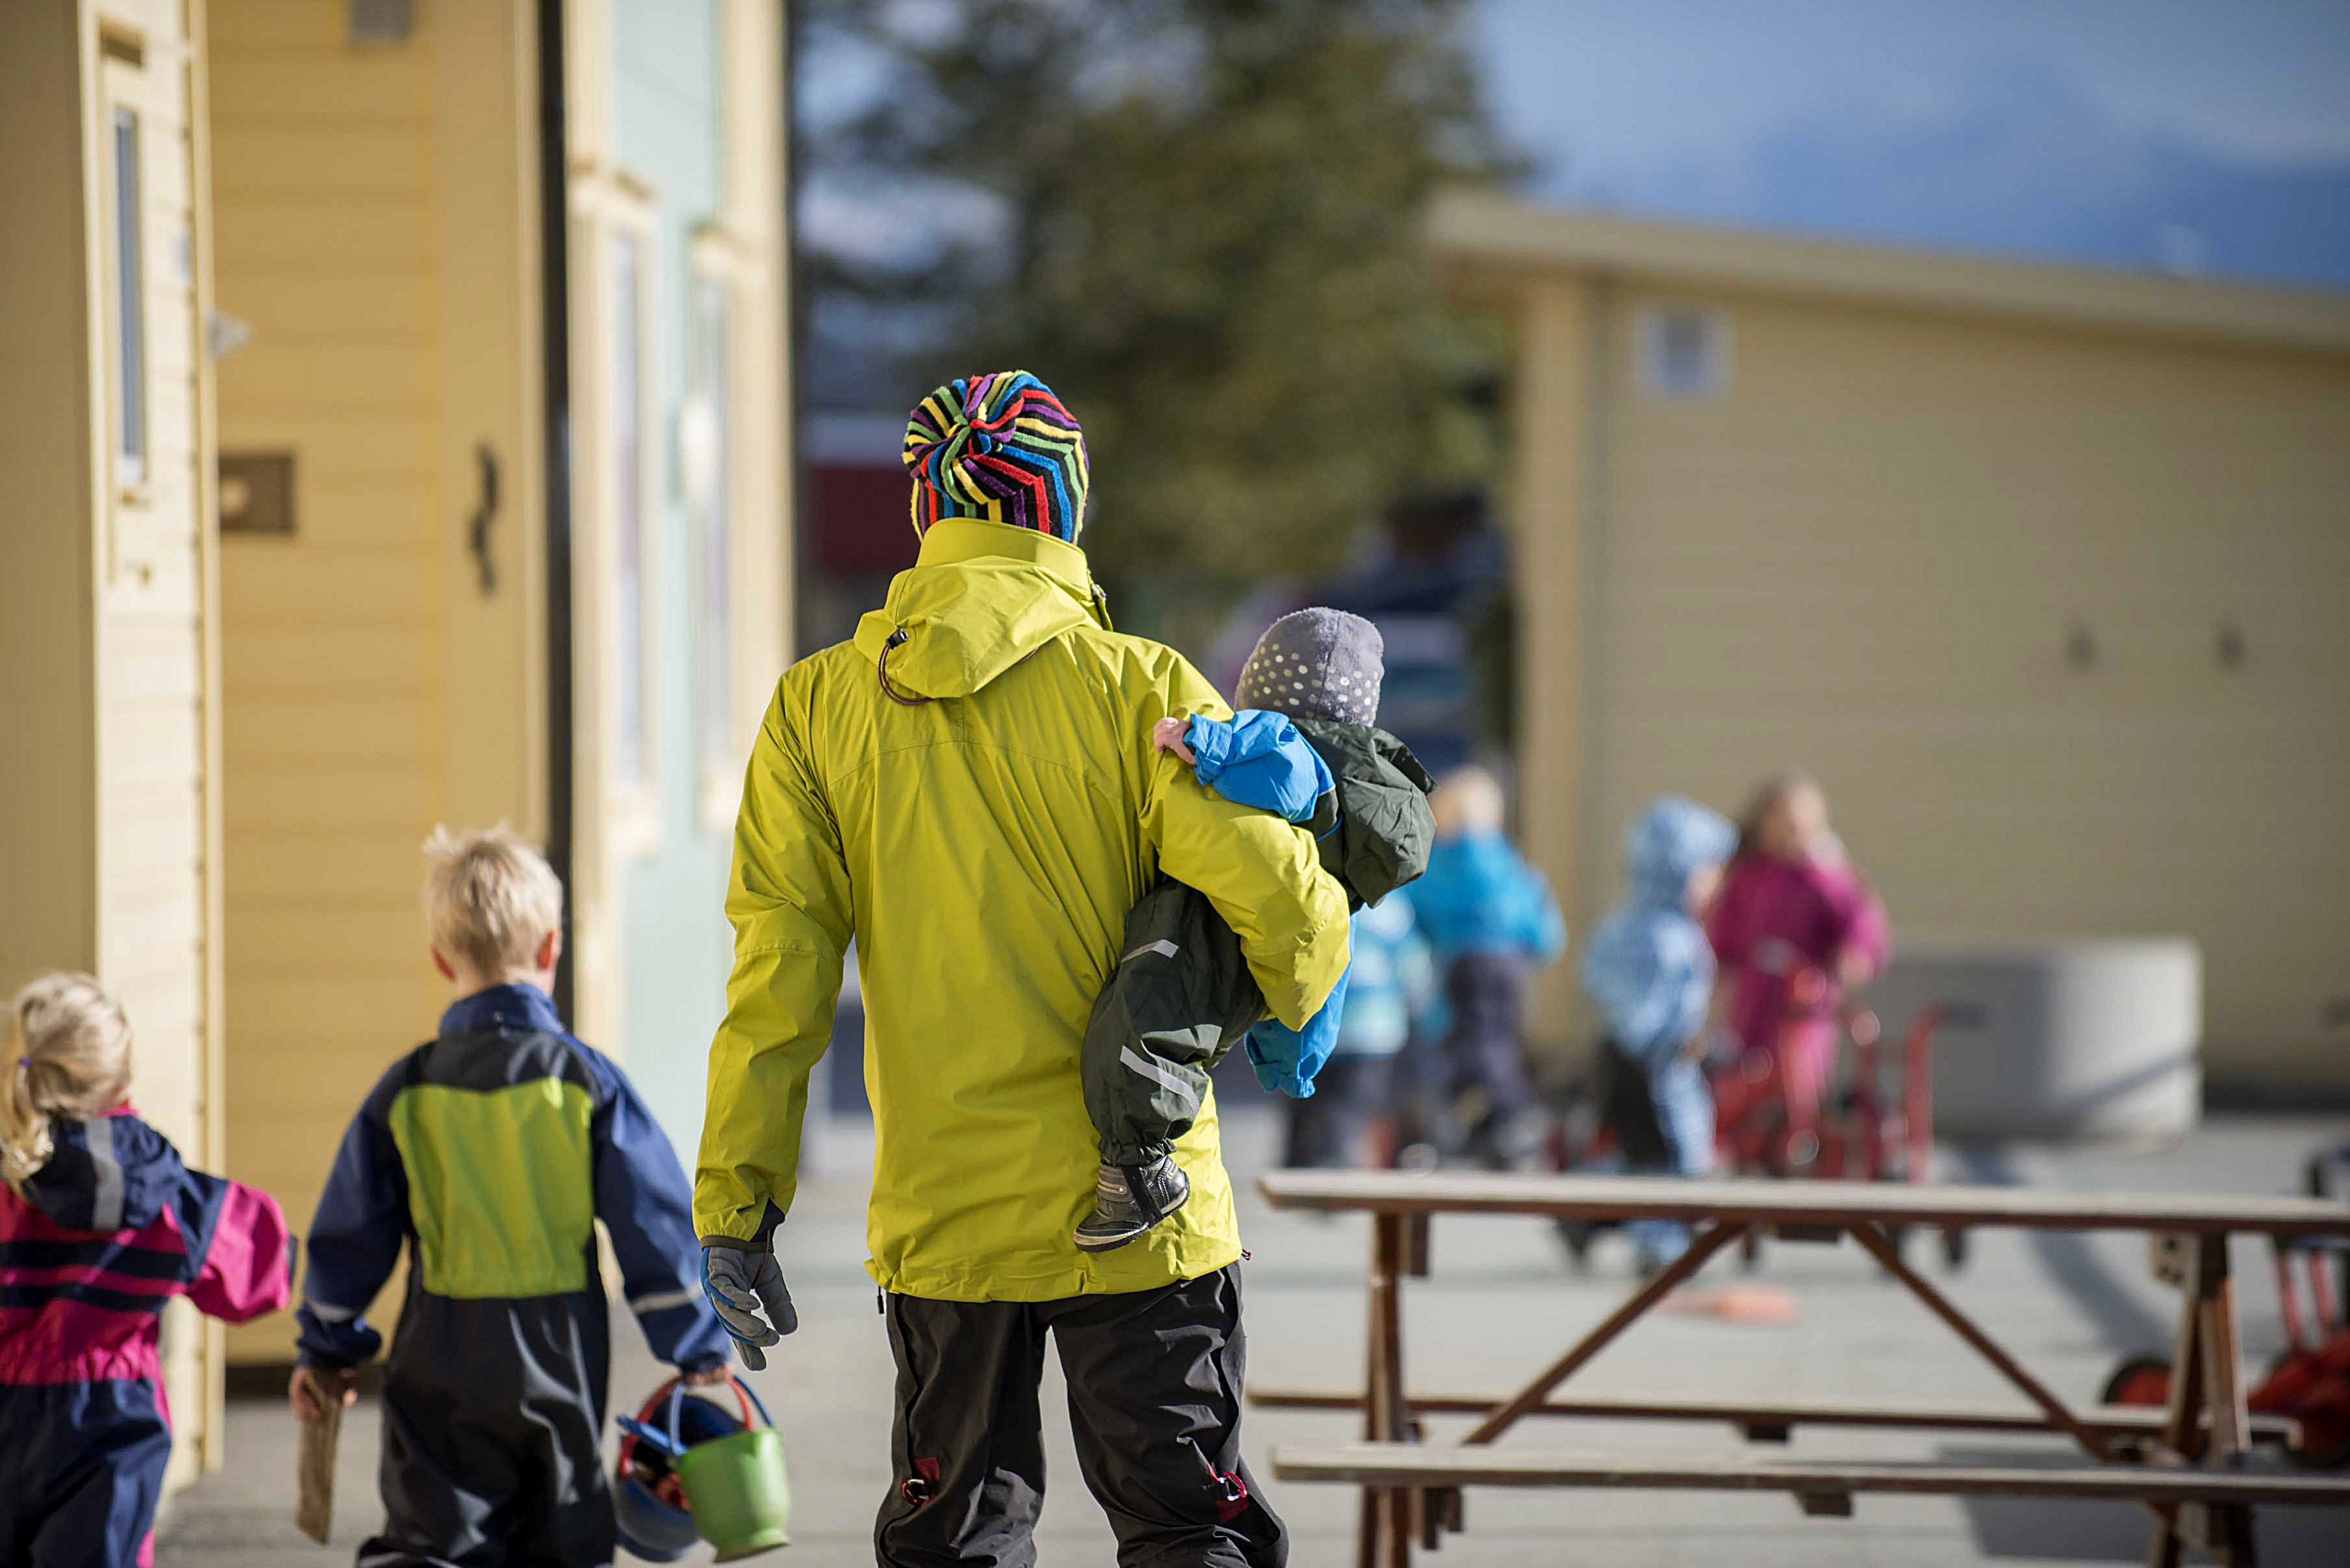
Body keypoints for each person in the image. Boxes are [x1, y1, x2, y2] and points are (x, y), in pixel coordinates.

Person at [694, 370, 1352, 1567]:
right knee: (1185, 1530)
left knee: (958, 1538)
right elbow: (1280, 895)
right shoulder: (1141, 688)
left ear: (923, 512)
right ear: (1065, 508)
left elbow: (776, 977)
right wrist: (1297, 1008)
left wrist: (738, 1204)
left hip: (946, 1221)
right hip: (1142, 1206)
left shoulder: (816, 707)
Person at [290, 826, 730, 1568]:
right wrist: (695, 1344)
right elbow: (652, 1221)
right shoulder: (586, 1082)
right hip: (556, 1352)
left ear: (440, 958)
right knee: (561, 1527)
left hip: (439, 1351)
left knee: (436, 1532)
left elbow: (350, 1231)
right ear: (552, 947)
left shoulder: (407, 1089)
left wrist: (327, 1348)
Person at [1076, 605, 1435, 1249]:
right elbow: (1326, 972)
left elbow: (1286, 774)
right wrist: (1292, 1052)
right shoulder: (1355, 773)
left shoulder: (1286, 738)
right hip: (1287, 933)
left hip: (1219, 920)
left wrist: (1201, 743)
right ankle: (1157, 1151)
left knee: (1149, 1014)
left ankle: (1138, 1170)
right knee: (1196, 1022)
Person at [0, 972, 294, 1567]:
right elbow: (257, 1276)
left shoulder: (11, 1176)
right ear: (123, 1079)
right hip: (111, 1420)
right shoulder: (160, 1191)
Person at [1580, 797, 1738, 1272]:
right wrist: (1672, 1040)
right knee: (1671, 1154)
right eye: (1708, 873)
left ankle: (1587, 1217)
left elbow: (1595, 973)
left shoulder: (1627, 923)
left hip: (1625, 1057)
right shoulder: (1669, 937)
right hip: (1659, 1067)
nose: (1715, 885)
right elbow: (1649, 1007)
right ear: (1679, 873)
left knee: (1634, 1150)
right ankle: (1661, 1242)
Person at [1707, 773, 1891, 1145]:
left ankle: (1801, 1131)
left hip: (1804, 998)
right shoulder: (1750, 876)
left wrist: (1856, 953)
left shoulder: (1825, 876)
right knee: (1748, 1065)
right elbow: (1725, 925)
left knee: (1799, 1066)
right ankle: (1747, 1134)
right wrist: (1716, 958)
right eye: (1782, 824)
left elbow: (1860, 918)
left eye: (1800, 826)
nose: (1791, 835)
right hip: (1756, 993)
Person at [1408, 766, 1567, 1166]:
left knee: (1472, 1046)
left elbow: (1420, 904)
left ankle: (1511, 1115)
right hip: (1512, 965)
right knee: (1500, 1043)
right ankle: (1502, 1120)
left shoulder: (1444, 860)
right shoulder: (1509, 860)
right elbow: (1542, 924)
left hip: (1467, 964)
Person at [1283, 887, 1435, 1170]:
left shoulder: (1319, 894)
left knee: (1308, 1100)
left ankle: (1301, 1163)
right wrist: (1425, 1011)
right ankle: (1334, 1165)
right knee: (1352, 1106)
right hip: (1373, 1033)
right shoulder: (1392, 908)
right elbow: (1413, 966)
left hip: (1316, 1028)